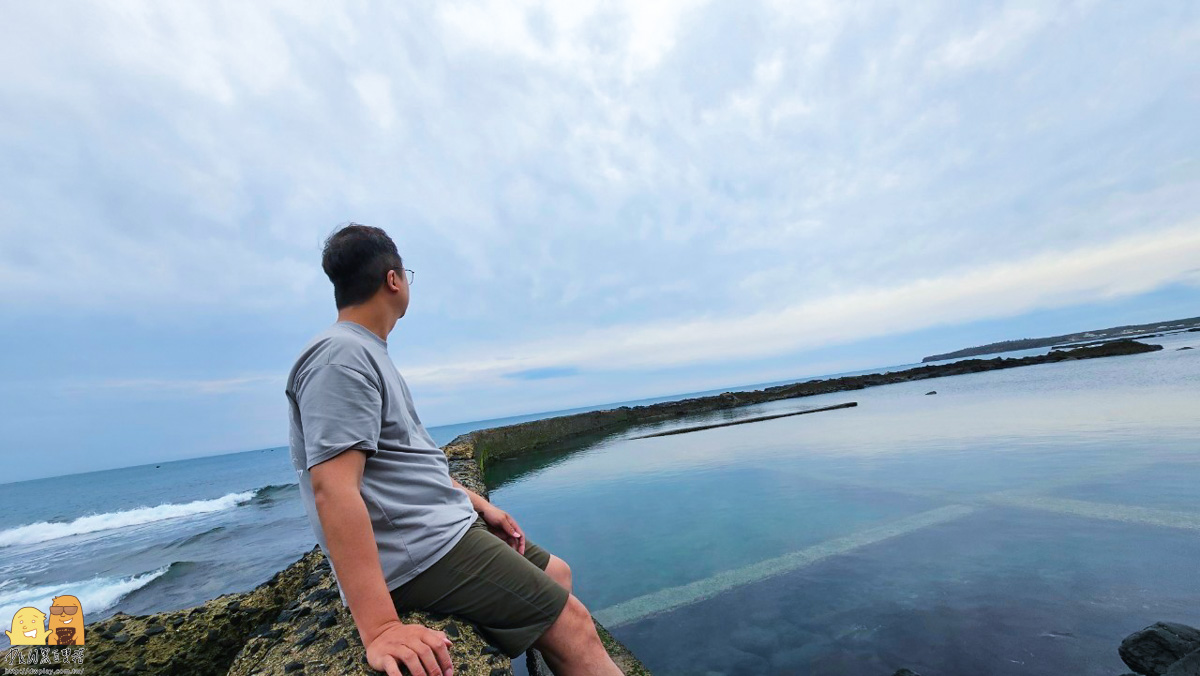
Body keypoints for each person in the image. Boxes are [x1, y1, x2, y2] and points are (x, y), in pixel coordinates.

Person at [286, 223, 623, 676]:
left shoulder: (366, 351)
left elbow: (406, 467)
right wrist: (381, 626)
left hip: (441, 529)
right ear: (393, 280)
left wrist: (482, 506)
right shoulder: (339, 358)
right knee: (574, 623)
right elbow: (334, 489)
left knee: (556, 573)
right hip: (422, 553)